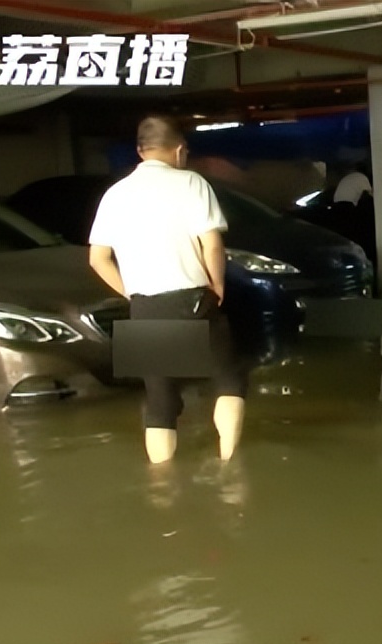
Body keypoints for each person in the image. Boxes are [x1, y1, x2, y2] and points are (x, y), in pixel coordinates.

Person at [87, 115, 247, 464]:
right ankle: (228, 465)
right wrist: (217, 284)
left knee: (160, 403)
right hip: (192, 299)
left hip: (144, 306)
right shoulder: (191, 183)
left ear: (140, 151)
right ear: (179, 150)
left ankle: (161, 480)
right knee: (230, 380)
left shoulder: (115, 194)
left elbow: (98, 260)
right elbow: (212, 245)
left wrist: (131, 293)